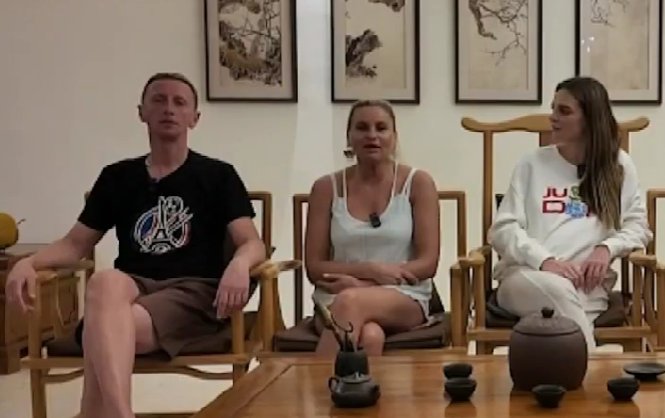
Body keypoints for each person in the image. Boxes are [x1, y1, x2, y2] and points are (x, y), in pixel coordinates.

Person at [4, 72, 266, 418]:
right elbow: (74, 244)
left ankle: (96, 412)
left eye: (180, 102)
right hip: (131, 288)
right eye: (159, 100)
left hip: (192, 293)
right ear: (141, 112)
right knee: (104, 282)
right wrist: (28, 262)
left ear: (194, 118)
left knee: (102, 329)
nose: (169, 109)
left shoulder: (218, 175)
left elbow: (252, 242)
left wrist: (239, 264)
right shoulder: (117, 177)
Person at [488, 76, 652, 352]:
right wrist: (545, 261)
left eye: (564, 111)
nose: (552, 118)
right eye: (553, 109)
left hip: (586, 286)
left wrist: (606, 248)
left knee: (564, 316)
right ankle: (590, 368)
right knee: (561, 295)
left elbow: (638, 227)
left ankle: (559, 375)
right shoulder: (531, 163)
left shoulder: (618, 166)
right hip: (526, 277)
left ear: (590, 119)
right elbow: (503, 229)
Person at [305, 99, 440, 356]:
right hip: (336, 294)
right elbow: (314, 267)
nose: (372, 135)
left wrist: (364, 285)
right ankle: (363, 384)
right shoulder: (325, 188)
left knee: (351, 301)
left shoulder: (419, 183)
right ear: (349, 137)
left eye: (381, 128)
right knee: (371, 335)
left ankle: (315, 382)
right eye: (362, 128)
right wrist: (370, 270)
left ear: (394, 137)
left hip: (402, 295)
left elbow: (428, 263)